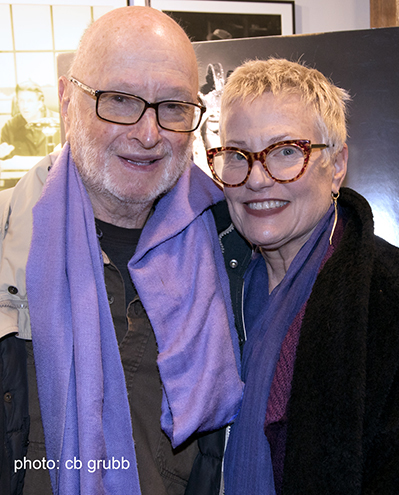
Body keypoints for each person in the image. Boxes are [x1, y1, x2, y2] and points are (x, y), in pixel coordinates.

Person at [192, 58, 399, 494]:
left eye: (287, 152)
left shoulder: (393, 298)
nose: (257, 178)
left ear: (336, 165)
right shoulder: (213, 283)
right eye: (237, 155)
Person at [0, 7, 243, 495]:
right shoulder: (8, 241)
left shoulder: (234, 248)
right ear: (68, 99)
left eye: (173, 106)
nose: (149, 134)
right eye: (119, 100)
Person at [0, 81, 61, 159]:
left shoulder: (58, 123)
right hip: (23, 170)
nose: (24, 106)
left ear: (40, 103)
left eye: (30, 101)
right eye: (21, 101)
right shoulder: (10, 127)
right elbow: (4, 161)